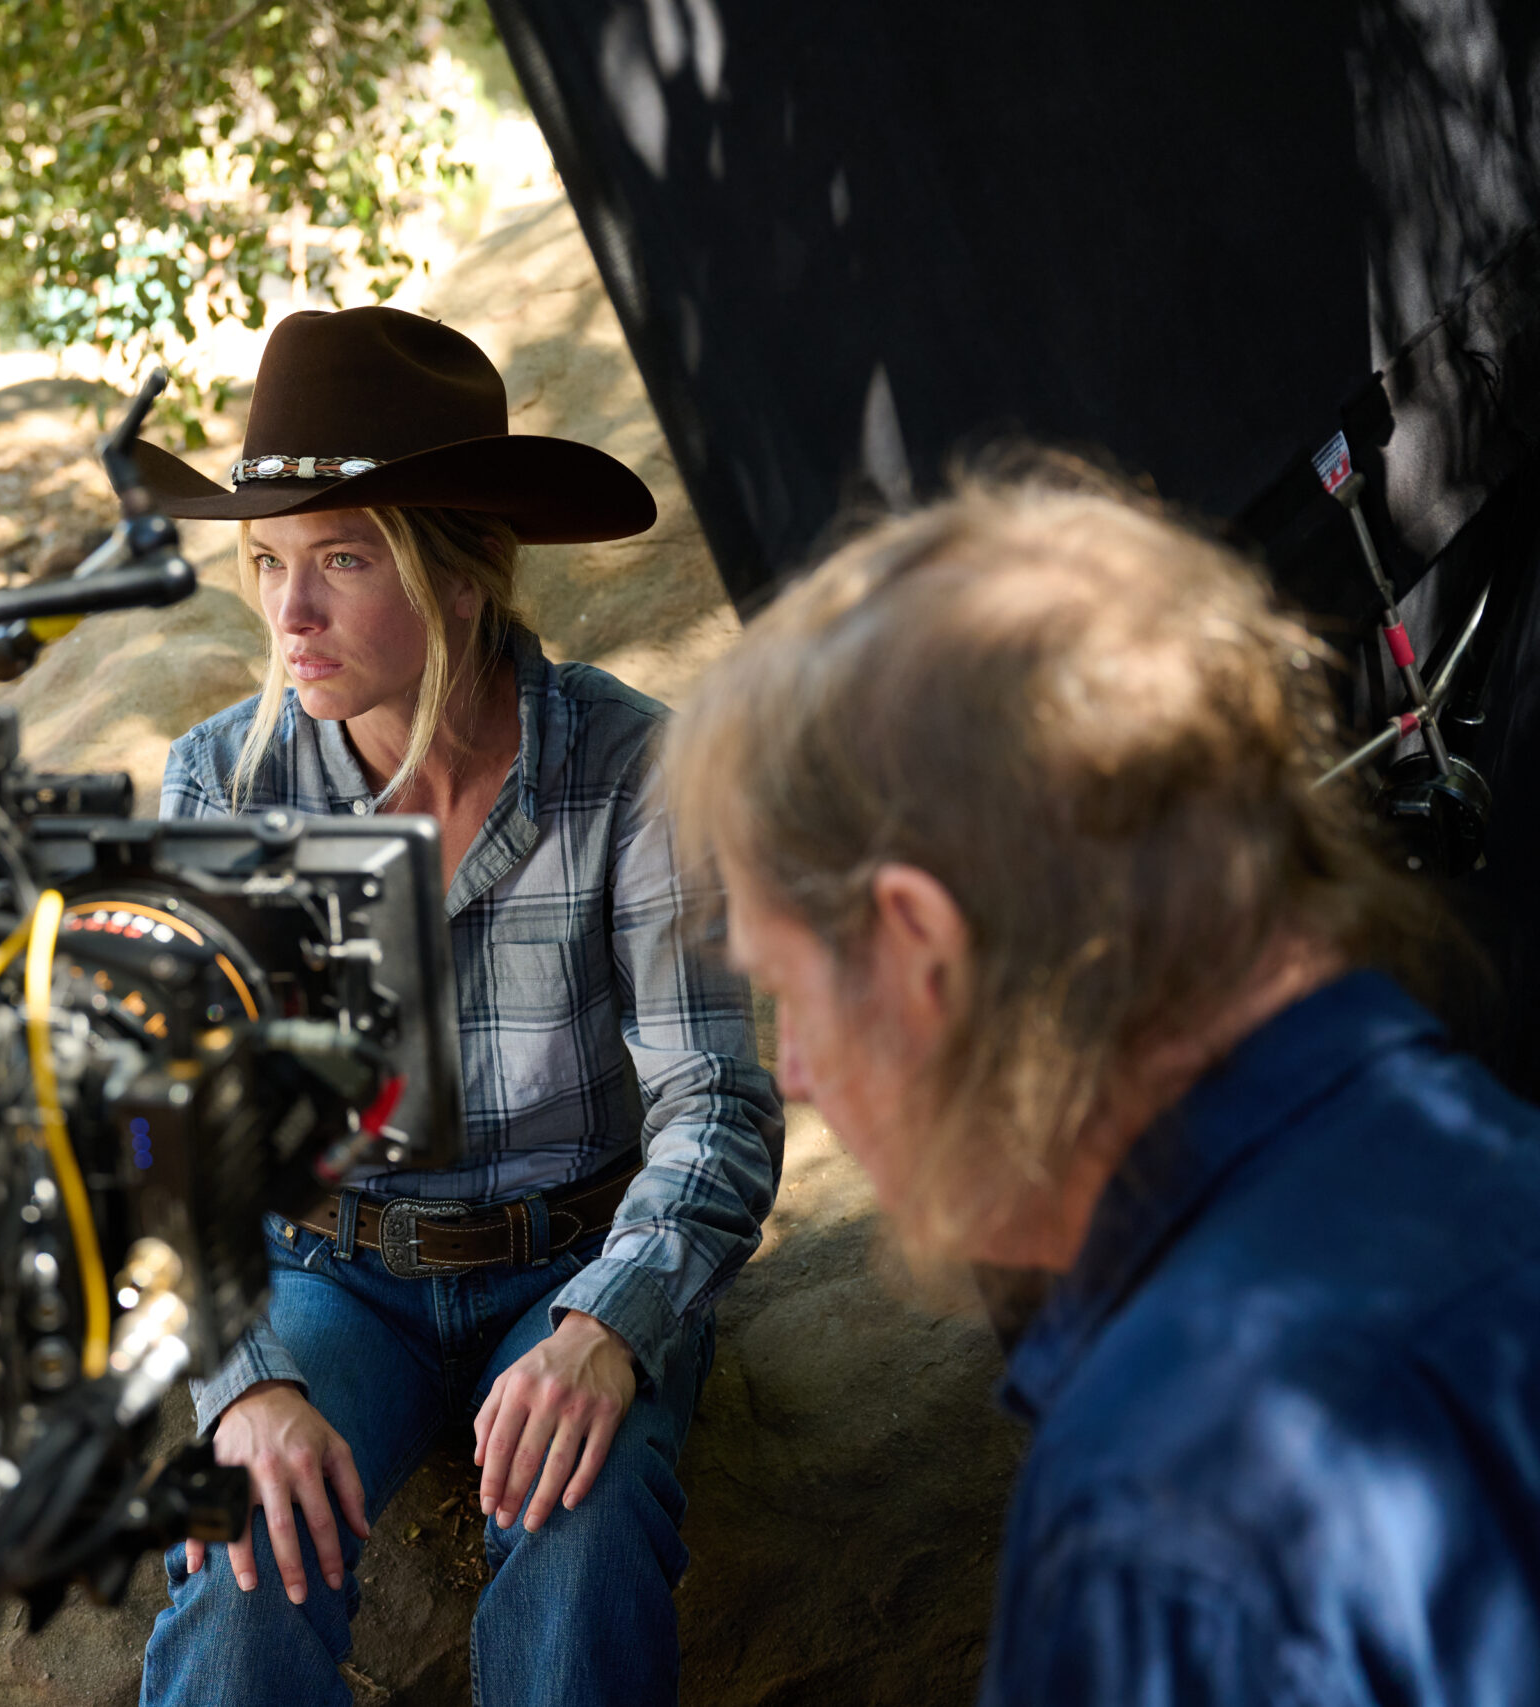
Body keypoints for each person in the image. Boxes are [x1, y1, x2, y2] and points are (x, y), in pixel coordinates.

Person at [664, 468, 1540, 1705]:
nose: (794, 1074)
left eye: (791, 996)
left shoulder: (1162, 1514)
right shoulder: (1490, 1155)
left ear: (920, 947)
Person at [132, 306, 784, 1706]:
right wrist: (241, 1380)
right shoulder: (221, 786)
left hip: (572, 1257)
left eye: (343, 560)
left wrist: (610, 1321)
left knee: (584, 1531)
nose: (290, 617)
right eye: (269, 566)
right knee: (244, 1554)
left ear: (465, 574)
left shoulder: (634, 771)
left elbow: (717, 1099)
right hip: (324, 1272)